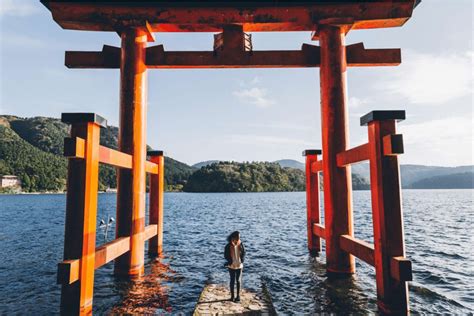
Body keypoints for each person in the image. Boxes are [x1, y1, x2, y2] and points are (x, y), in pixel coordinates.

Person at [224, 231, 245, 302]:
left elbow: (244, 253)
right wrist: (229, 261)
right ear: (234, 237)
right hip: (232, 266)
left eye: (239, 236)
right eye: (238, 236)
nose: (239, 238)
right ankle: (232, 296)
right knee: (232, 281)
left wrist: (242, 260)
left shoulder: (241, 244)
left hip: (239, 265)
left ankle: (238, 296)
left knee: (238, 280)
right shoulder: (228, 245)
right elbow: (225, 255)